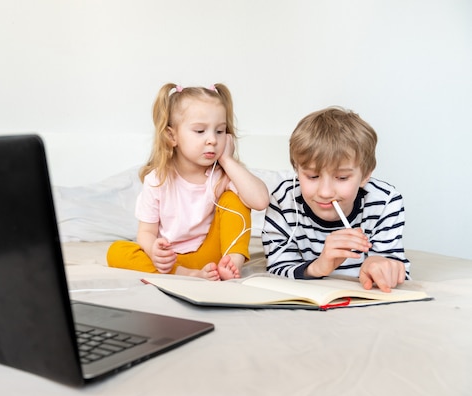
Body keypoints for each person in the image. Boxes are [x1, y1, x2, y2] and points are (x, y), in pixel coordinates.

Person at [107, 83, 269, 280]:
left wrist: (227, 160)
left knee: (235, 199)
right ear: (172, 136)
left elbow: (260, 201)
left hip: (213, 257)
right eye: (200, 131)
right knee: (116, 251)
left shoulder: (222, 175)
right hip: (172, 261)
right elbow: (146, 233)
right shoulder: (157, 180)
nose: (212, 140)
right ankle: (186, 274)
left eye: (219, 131)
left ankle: (231, 264)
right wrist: (154, 250)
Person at [262, 106, 410, 292]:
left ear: (365, 175)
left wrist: (379, 264)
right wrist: (318, 267)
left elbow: (397, 268)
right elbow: (276, 269)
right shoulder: (283, 200)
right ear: (297, 170)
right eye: (312, 176)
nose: (325, 192)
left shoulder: (385, 202)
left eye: (341, 178)